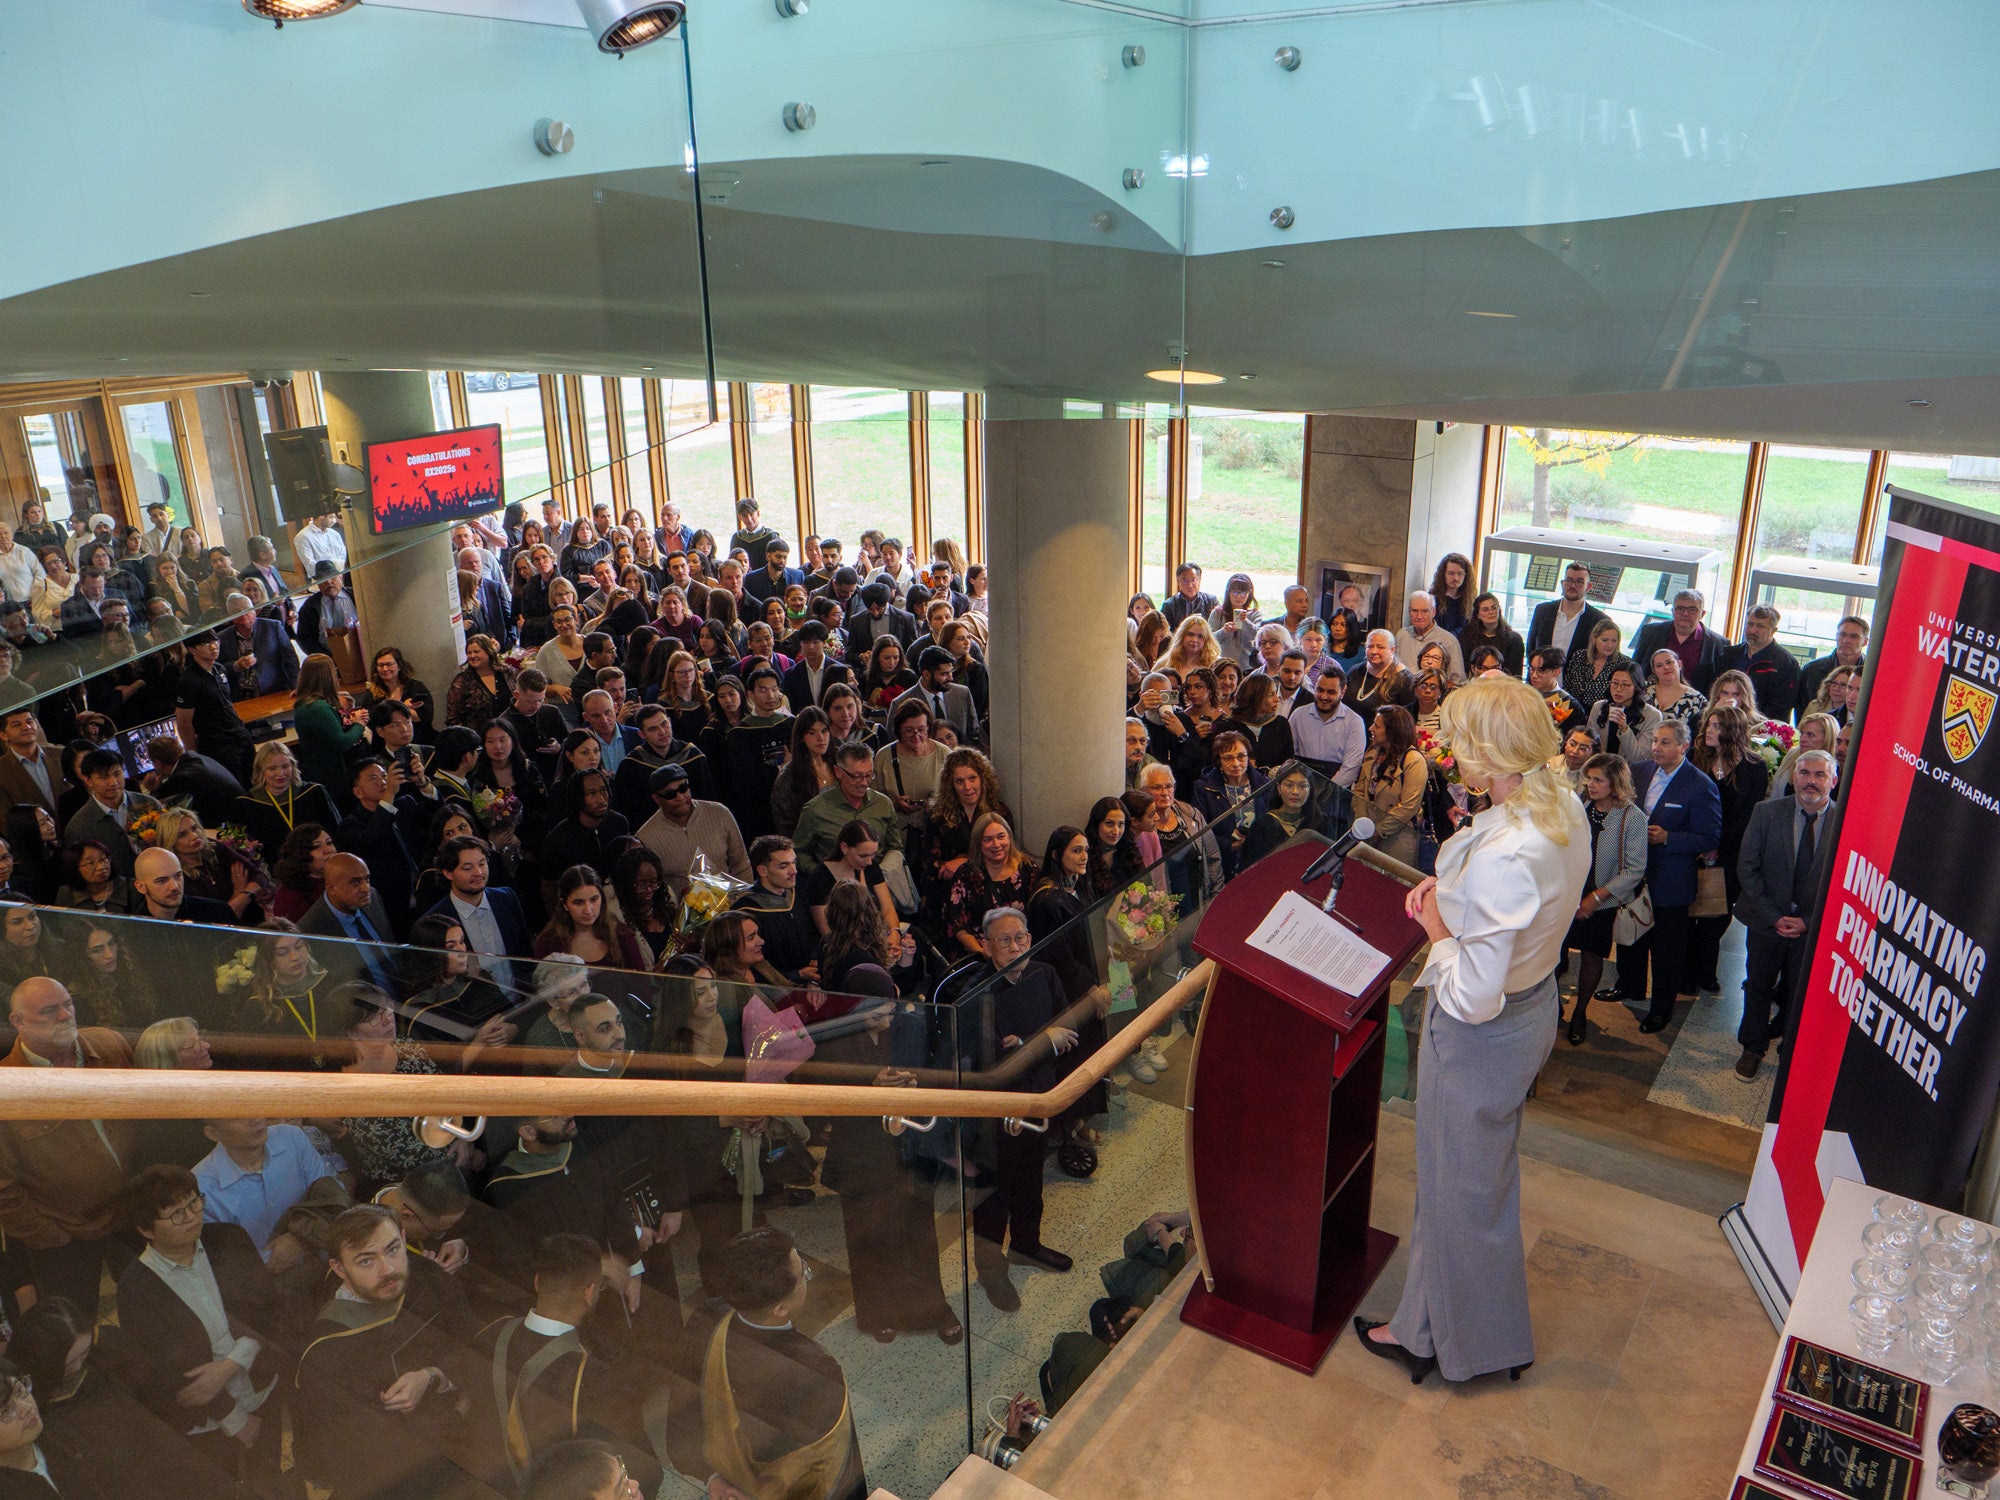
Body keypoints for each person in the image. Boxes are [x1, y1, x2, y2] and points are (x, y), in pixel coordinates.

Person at [1357, 676, 1589, 1384]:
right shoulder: (1562, 805)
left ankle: (1465, 1344)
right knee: (1471, 1184)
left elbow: (1472, 995)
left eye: (1460, 740)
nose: (1450, 751)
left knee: (1457, 1192)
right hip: (1533, 1007)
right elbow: (1515, 913)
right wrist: (1456, 900)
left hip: (1479, 1036)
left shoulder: (1507, 856)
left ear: (1491, 754)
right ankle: (1430, 1325)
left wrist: (1438, 927)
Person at [292, 1205, 485, 1500]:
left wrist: (433, 1375)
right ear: (339, 1269)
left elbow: (478, 1347)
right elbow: (373, 1457)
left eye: (393, 1249)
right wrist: (459, 1412)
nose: (388, 1270)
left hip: (461, 1457)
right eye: (366, 1261)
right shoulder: (327, 1352)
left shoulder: (427, 1276)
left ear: (404, 1238)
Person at [112, 1165, 283, 1484]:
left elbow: (269, 1309)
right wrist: (235, 1421)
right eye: (176, 1214)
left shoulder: (229, 1239)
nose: (191, 1217)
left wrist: (231, 1364)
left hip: (262, 1391)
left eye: (194, 1203)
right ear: (146, 1230)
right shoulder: (135, 1290)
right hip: (207, 1426)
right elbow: (173, 1373)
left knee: (273, 1480)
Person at [700, 1225, 868, 1500]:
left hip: (736, 1478)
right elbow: (838, 1464)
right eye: (804, 1273)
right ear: (780, 1309)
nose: (807, 1274)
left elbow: (688, 1414)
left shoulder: (708, 1316)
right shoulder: (813, 1368)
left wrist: (713, 1477)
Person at [0, 977, 135, 1312]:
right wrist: (48, 1235)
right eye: (49, 1010)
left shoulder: (110, 1046)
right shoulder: (6, 1085)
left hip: (133, 1213)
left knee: (153, 1308)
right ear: (18, 1021)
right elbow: (3, 1185)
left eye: (68, 1004)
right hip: (63, 1236)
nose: (65, 1015)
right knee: (76, 1326)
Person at [968, 907, 1076, 1309]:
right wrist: (1042, 1041)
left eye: (1021, 938)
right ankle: (991, 1273)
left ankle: (1026, 1246)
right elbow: (990, 1061)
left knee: (1032, 1180)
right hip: (996, 1113)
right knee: (994, 1197)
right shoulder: (978, 994)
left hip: (1039, 1097)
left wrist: (1025, 1044)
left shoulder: (1044, 974)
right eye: (1005, 940)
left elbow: (1068, 1030)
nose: (1016, 947)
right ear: (986, 946)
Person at [1733, 750, 1838, 1080]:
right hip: (1766, 922)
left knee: (1800, 992)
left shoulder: (1846, 822)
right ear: (1794, 777)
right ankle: (1752, 1047)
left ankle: (1790, 1050)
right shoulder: (1766, 813)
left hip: (1812, 928)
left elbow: (1844, 883)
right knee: (1757, 985)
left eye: (1820, 775)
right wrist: (1773, 915)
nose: (1811, 781)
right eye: (1804, 773)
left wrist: (1808, 921)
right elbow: (1747, 868)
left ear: (1834, 781)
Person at [1628, 720, 1723, 1035]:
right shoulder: (1640, 771)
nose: (1656, 747)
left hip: (1671, 880)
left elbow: (1709, 837)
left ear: (1684, 747)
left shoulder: (1700, 785)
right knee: (1633, 935)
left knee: (1666, 951)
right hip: (1635, 871)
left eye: (1665, 742)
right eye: (1655, 740)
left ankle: (1661, 1010)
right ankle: (1629, 986)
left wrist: (1669, 837)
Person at [1561, 753, 1649, 1047]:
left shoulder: (1632, 817)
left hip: (1602, 898)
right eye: (1589, 778)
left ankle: (1580, 1012)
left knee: (1592, 955)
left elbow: (1634, 870)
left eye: (1598, 780)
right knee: (1556, 953)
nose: (1591, 784)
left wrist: (1594, 899)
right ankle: (1551, 1003)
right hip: (1568, 892)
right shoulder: (1580, 805)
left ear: (1615, 784)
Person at [1685, 703, 1770, 998]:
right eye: (1709, 724)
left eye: (1717, 726)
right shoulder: (1696, 758)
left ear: (1732, 731)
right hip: (1695, 846)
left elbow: (1746, 815)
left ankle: (1705, 971)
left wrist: (1717, 846)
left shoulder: (1754, 767)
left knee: (1717, 914)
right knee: (1690, 912)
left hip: (1731, 851)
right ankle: (1686, 973)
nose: (1709, 730)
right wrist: (1702, 843)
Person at [194, 1118, 343, 1260]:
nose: (255, 1119)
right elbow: (224, 1261)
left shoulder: (291, 1137)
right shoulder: (200, 1187)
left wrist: (299, 1238)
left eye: (256, 1107)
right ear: (213, 1133)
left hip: (329, 1256)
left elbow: (332, 1197)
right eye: (238, 1117)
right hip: (263, 1275)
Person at [634, 761, 751, 898]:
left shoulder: (719, 813)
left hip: (730, 903)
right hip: (681, 909)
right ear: (656, 799)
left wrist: (744, 900)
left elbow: (741, 864)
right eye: (670, 794)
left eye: (683, 788)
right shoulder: (646, 837)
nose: (680, 797)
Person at [1354, 705, 1428, 866]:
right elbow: (1360, 790)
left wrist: (1379, 830)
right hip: (1367, 831)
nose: (1371, 728)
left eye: (1377, 726)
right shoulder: (1372, 752)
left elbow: (1409, 806)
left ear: (1392, 731)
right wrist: (1363, 825)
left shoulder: (1413, 760)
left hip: (1399, 837)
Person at [1714, 604, 1800, 722]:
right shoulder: (1728, 655)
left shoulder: (1786, 664)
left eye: (1760, 626)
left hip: (1761, 727)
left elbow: (1780, 709)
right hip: (1723, 721)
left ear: (1773, 630)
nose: (1753, 630)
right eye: (1750, 624)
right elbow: (1714, 692)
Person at [1632, 587, 1727, 692]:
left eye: (1692, 609)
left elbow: (1720, 686)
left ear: (1702, 614)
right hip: (1651, 698)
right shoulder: (1650, 633)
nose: (1685, 614)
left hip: (1696, 701)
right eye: (1680, 609)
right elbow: (1635, 670)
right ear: (1672, 611)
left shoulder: (1719, 644)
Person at [1526, 560, 1610, 671]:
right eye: (1569, 580)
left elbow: (1600, 658)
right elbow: (1531, 648)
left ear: (1588, 586)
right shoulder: (1542, 611)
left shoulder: (1599, 620)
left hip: (1576, 681)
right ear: (1562, 583)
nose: (1573, 586)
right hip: (1540, 679)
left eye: (1579, 582)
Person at [1583, 658, 1662, 768]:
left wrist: (1624, 729)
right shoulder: (1599, 707)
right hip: (1599, 767)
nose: (1618, 689)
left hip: (1630, 772)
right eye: (1614, 683)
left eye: (1625, 685)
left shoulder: (1652, 716)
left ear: (1636, 687)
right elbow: (1588, 744)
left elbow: (1641, 758)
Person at [1798, 615, 1869, 716]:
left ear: (1865, 641)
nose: (1846, 640)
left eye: (1854, 636)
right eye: (1842, 634)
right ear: (1836, 636)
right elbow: (1801, 711)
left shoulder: (1872, 674)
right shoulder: (1811, 670)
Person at [1394, 591, 1466, 679]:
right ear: (1409, 612)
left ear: (1433, 612)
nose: (1419, 616)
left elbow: (1458, 680)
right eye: (1415, 611)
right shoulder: (1402, 635)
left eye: (1424, 611)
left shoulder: (1449, 641)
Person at [1563, 618, 1625, 714]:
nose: (1610, 645)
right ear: (1594, 639)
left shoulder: (1623, 663)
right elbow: (1567, 687)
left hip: (1604, 715)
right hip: (1574, 712)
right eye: (1605, 640)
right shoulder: (1579, 656)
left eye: (1614, 641)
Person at [1347, 629, 1415, 713]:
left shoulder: (1405, 679)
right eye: (1370, 646)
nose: (1374, 651)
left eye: (1380, 647)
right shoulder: (1355, 671)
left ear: (1392, 650)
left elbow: (1409, 715)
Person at [1643, 646, 1708, 729]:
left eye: (1669, 662)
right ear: (1654, 671)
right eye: (1659, 665)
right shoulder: (1643, 689)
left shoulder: (1697, 699)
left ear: (1679, 665)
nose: (1665, 667)